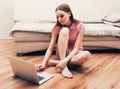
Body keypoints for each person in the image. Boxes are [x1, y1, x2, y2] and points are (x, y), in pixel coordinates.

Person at [36, 3, 91, 78]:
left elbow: (76, 48)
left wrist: (64, 61)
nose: (59, 19)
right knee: (64, 30)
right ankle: (64, 67)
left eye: (61, 16)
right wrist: (43, 64)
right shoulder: (57, 28)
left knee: (87, 54)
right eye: (57, 17)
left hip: (74, 55)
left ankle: (56, 62)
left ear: (69, 14)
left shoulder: (80, 26)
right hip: (62, 54)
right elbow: (50, 49)